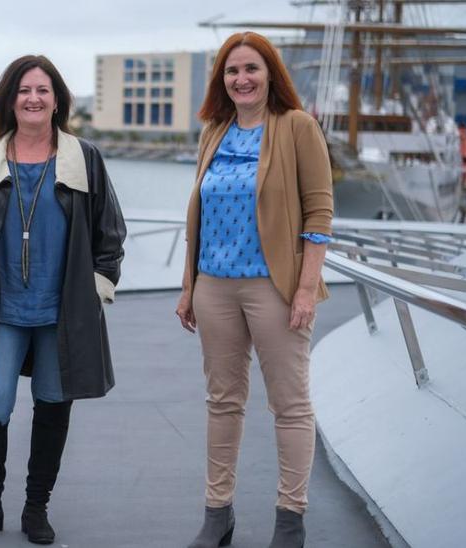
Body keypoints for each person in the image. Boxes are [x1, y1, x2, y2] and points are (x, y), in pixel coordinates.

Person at [0, 55, 126, 545]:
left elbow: (109, 232)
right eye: (24, 90)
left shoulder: (82, 157)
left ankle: (36, 508)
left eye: (43, 90)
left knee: (52, 402)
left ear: (57, 100)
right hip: (0, 308)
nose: (33, 98)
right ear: (10, 99)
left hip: (62, 308)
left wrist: (99, 285)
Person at [175, 31, 333, 548]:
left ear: (270, 76)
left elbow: (319, 216)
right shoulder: (214, 132)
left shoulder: (297, 127)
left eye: (251, 70)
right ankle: (217, 514)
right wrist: (188, 287)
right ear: (222, 81)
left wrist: (306, 290)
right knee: (222, 402)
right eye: (232, 71)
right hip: (214, 287)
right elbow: (199, 214)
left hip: (275, 287)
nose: (241, 79)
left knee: (289, 404)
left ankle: (291, 518)